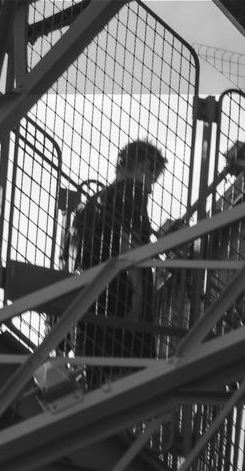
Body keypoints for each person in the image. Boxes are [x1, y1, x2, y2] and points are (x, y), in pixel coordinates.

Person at [68, 140, 167, 385]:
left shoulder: (92, 203)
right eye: (152, 177)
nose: (151, 187)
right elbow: (128, 243)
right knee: (129, 375)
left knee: (98, 374)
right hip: (122, 293)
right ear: (143, 166)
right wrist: (138, 295)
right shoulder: (134, 191)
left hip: (94, 297)